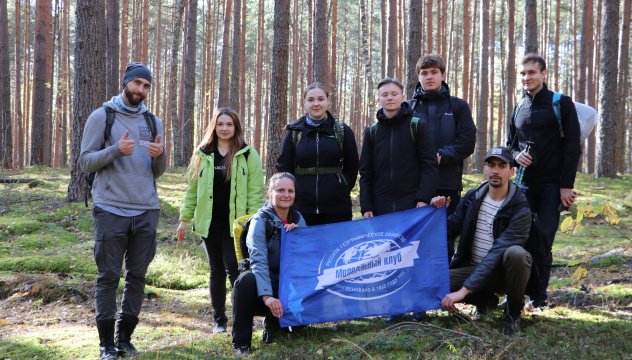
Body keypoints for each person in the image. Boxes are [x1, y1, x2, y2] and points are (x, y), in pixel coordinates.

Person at [79, 62, 166, 360]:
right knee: (108, 277)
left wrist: (160, 157)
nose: (140, 90)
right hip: (111, 209)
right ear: (125, 82)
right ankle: (106, 346)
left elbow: (159, 171)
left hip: (146, 210)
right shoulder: (102, 117)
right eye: (136, 84)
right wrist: (116, 150)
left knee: (138, 277)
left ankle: (125, 339)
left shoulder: (153, 122)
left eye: (146, 86)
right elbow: (85, 162)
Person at [177, 108, 264, 334]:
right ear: (214, 127)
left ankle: (241, 318)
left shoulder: (248, 154)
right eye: (220, 124)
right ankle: (219, 320)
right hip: (209, 222)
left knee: (234, 269)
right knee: (216, 271)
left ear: (236, 127)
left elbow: (255, 193)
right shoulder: (202, 153)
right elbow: (192, 189)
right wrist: (184, 219)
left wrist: (252, 221)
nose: (224, 128)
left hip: (236, 224)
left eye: (229, 124)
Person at [359, 77, 439, 322]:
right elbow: (366, 173)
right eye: (385, 94)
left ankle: (419, 307)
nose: (390, 98)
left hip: (413, 204)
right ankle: (393, 308)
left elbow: (429, 166)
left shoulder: (417, 125)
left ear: (403, 97)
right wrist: (367, 205)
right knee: (388, 257)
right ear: (379, 99)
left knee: (415, 255)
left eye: (394, 93)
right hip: (382, 206)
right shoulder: (371, 133)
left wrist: (423, 198)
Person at [431, 146, 533, 335]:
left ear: (512, 171)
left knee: (516, 254)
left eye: (502, 166)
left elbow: (497, 251)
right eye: (491, 165)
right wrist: (436, 214)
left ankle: (513, 314)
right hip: (472, 268)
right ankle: (484, 300)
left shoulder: (520, 208)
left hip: (503, 275)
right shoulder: (472, 197)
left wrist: (462, 291)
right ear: (484, 169)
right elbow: (450, 230)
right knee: (431, 284)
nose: (496, 171)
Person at [507, 54, 581, 307]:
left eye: (532, 73)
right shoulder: (519, 107)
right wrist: (516, 156)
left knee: (544, 241)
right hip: (524, 186)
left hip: (552, 186)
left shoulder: (561, 103)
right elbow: (510, 145)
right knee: (520, 239)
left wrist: (565, 186)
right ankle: (518, 293)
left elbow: (572, 147)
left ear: (543, 74)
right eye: (523, 74)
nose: (527, 78)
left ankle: (538, 297)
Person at [231, 172, 306, 357]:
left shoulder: (298, 219)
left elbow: (307, 258)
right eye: (280, 190)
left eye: (290, 191)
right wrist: (267, 297)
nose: (286, 195)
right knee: (245, 281)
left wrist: (298, 236)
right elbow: (258, 261)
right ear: (270, 193)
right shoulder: (259, 221)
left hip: (287, 283)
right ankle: (241, 344)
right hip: (261, 286)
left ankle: (275, 324)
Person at [409, 54, 476, 252]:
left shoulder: (458, 106)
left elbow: (466, 142)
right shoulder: (408, 108)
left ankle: (445, 281)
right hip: (415, 185)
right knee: (415, 241)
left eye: (434, 72)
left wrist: (441, 155)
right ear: (418, 77)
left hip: (447, 183)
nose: (429, 77)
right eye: (424, 73)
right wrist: (423, 159)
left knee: (444, 239)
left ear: (443, 75)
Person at [277, 82, 359, 225]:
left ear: (328, 101)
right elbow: (284, 166)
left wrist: (342, 187)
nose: (316, 104)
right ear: (304, 102)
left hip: (337, 207)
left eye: (321, 99)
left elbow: (352, 165)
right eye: (311, 100)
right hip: (301, 207)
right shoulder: (294, 132)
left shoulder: (342, 130)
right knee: (306, 247)